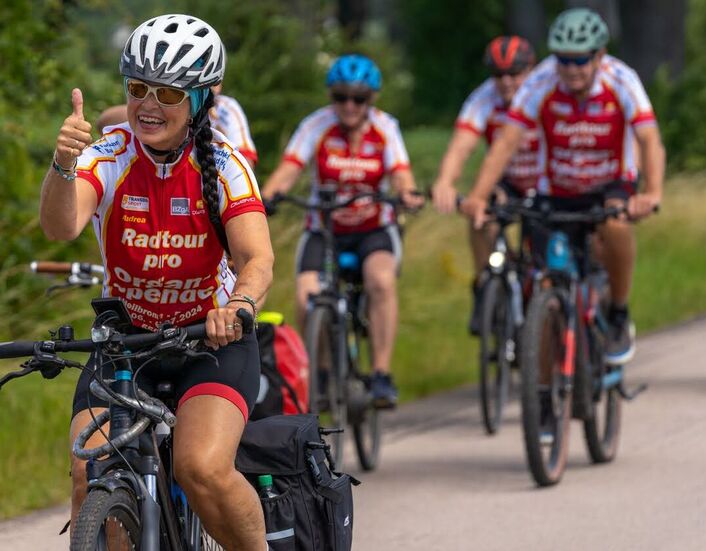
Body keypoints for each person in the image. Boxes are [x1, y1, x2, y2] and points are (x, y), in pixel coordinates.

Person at [39, 14, 273, 550]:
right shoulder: (110, 155)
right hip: (127, 342)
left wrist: (238, 304)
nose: (148, 104)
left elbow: (257, 257)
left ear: (199, 101)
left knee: (201, 468)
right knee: (89, 472)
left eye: (167, 93)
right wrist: (63, 164)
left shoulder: (225, 165)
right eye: (137, 88)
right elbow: (60, 226)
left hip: (209, 341)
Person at [462, 8, 665, 364]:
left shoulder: (622, 80)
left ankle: (618, 311)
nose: (571, 69)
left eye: (581, 60)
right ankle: (542, 390)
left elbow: (649, 138)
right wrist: (478, 196)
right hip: (556, 189)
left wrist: (651, 192)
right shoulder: (541, 81)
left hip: (610, 183)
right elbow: (506, 142)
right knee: (545, 287)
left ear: (599, 56)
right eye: (563, 60)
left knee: (616, 225)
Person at [260, 54, 424, 408]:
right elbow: (289, 169)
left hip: (373, 229)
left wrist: (408, 193)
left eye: (358, 98)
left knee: (381, 281)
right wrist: (265, 199)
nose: (349, 106)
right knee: (307, 296)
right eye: (341, 97)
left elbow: (401, 173)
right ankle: (319, 373)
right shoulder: (316, 126)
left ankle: (381, 374)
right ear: (331, 96)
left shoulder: (385, 128)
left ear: (371, 99)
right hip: (325, 228)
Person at [432, 36, 539, 335]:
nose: (506, 82)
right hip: (506, 180)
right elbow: (461, 145)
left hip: (545, 181)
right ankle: (485, 284)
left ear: (530, 70)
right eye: (498, 74)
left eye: (514, 73)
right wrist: (445, 181)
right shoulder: (483, 98)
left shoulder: (543, 93)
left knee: (543, 253)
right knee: (480, 215)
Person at [96, 84, 258, 167]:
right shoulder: (156, 104)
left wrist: (215, 132)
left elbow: (245, 161)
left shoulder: (226, 108)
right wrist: (147, 115)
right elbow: (103, 122)